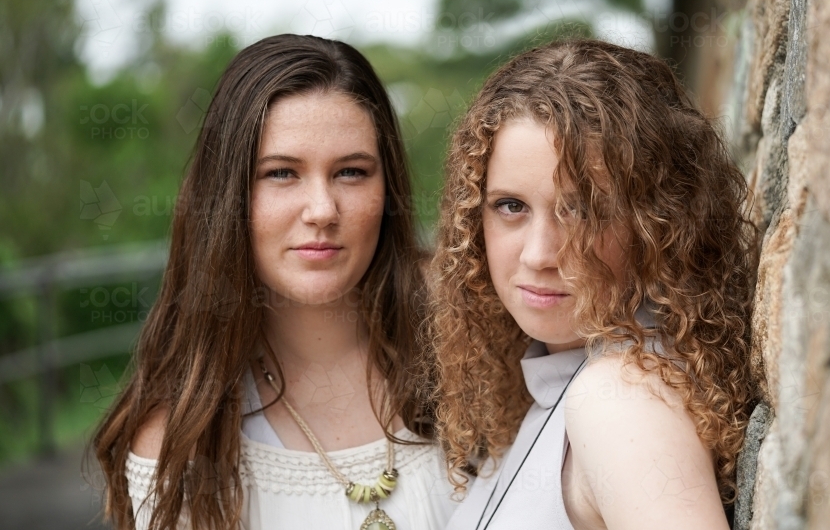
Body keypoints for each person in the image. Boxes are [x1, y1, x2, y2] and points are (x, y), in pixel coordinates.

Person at [91, 34, 457, 530]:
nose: (323, 211)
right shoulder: (182, 444)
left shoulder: (469, 354)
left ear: (386, 188)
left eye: (351, 172)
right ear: (227, 198)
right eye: (282, 174)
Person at [429, 39, 760, 529]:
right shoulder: (564, 377)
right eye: (511, 206)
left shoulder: (618, 399)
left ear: (659, 222)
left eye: (581, 211)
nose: (540, 254)